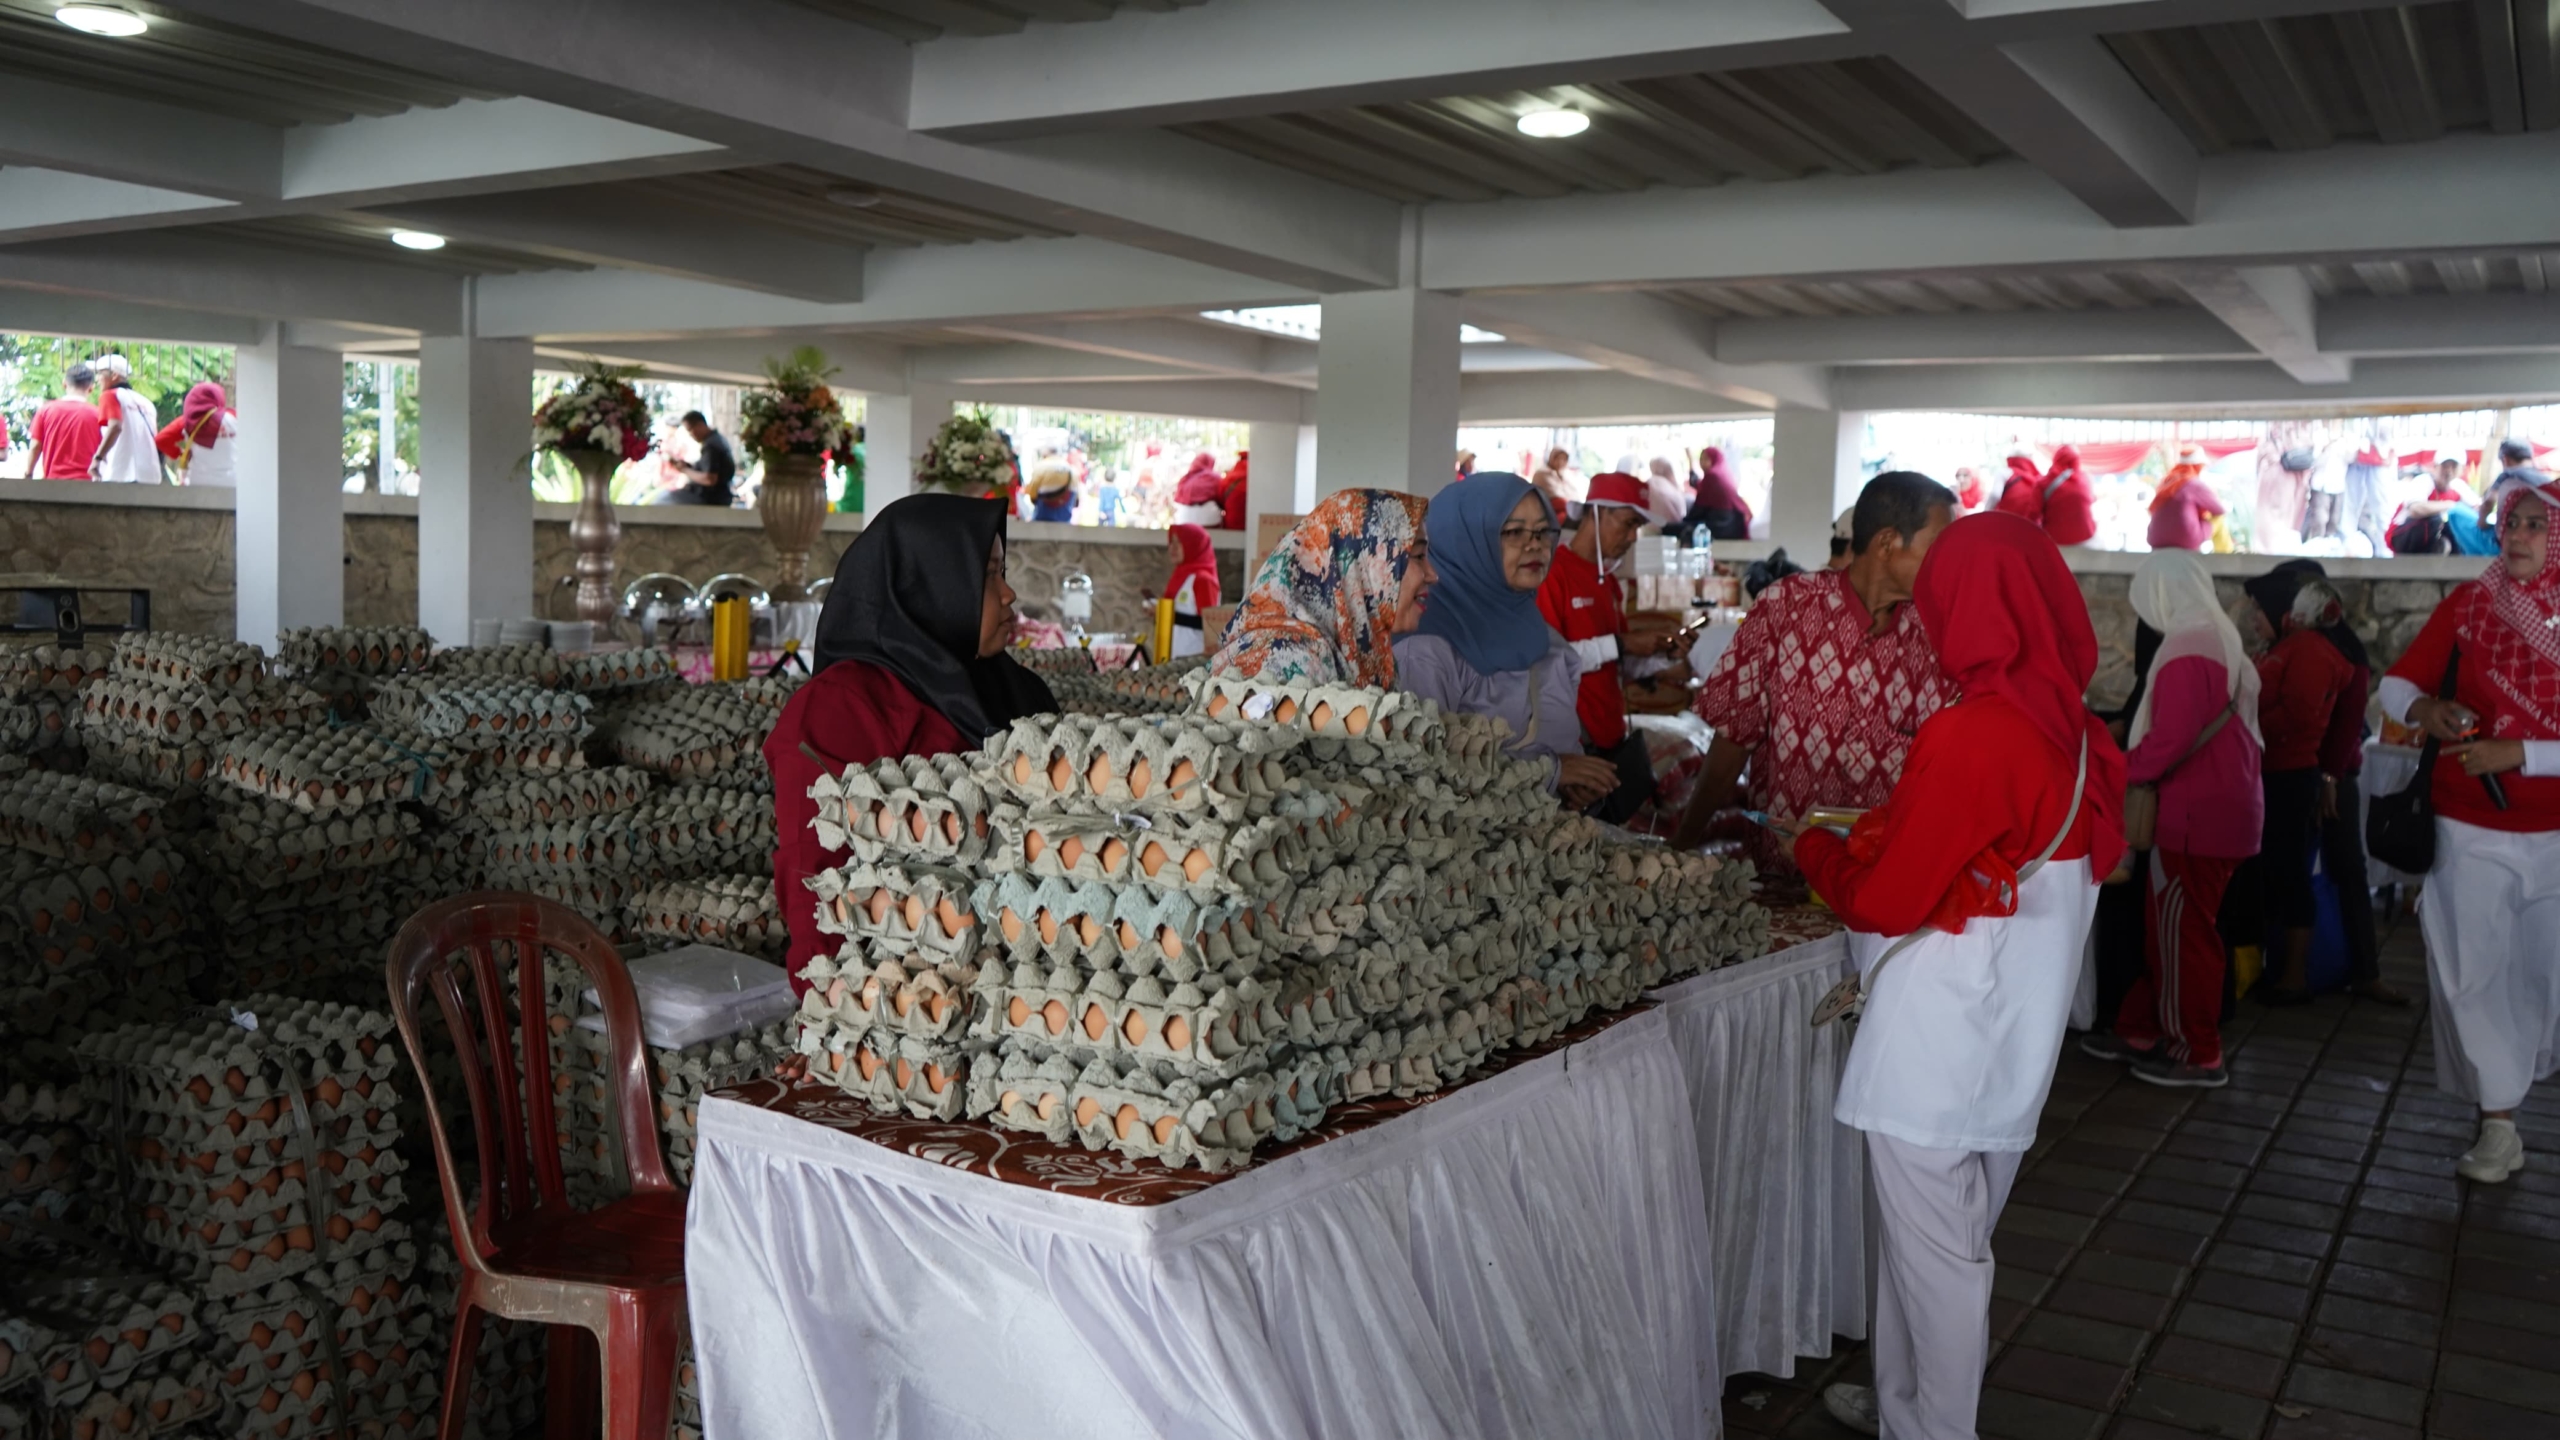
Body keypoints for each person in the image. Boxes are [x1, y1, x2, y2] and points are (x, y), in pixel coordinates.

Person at [1799, 512, 2126, 1440]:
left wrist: (1821, 850)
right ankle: (1903, 1404)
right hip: (2011, 1039)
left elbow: (1890, 900)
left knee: (1940, 1263)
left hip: (1936, 1044)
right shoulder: (2073, 732)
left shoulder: (1975, 733)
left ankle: (1937, 1429)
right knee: (1941, 1249)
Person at [763, 495, 1056, 996]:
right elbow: (813, 867)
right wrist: (831, 1002)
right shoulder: (843, 707)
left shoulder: (1014, 690)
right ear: (929, 586)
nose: (1008, 594)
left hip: (1027, 976)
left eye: (1001, 572)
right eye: (987, 575)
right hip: (903, 993)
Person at [2375, 472, 2560, 1184]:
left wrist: (2521, 753)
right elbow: (2398, 683)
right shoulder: (2468, 605)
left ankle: (2511, 1083)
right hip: (2467, 822)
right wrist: (2426, 712)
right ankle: (2498, 1120)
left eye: (2536, 525)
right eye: (2513, 522)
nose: (2516, 536)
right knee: (2471, 971)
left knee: (2542, 976)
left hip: (2554, 835)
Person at [1670, 472, 1959, 875]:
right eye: (1938, 547)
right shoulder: (1784, 609)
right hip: (1786, 874)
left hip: (1891, 881)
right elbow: (1734, 738)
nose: (1949, 563)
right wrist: (1684, 841)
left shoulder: (1940, 630)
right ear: (1888, 543)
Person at [2083, 549, 2263, 1088]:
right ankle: (2142, 1027)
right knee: (2170, 928)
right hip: (2222, 806)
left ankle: (2198, 1052)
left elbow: (2169, 740)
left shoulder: (2189, 646)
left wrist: (2114, 769)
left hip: (2195, 813)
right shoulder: (2220, 637)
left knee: (2185, 933)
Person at [1397, 472, 1621, 808]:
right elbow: (1422, 771)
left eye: (1543, 531)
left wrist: (1577, 782)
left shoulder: (1545, 638)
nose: (1536, 545)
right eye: (1514, 532)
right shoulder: (1425, 649)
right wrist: (1550, 771)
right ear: (1465, 539)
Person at [2239, 560, 2405, 1008]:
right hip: (2308, 771)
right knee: (2302, 870)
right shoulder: (2292, 645)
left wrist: (2328, 778)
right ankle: (2314, 967)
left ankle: (2363, 972)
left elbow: (2340, 724)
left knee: (2343, 869)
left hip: (2329, 773)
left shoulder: (2331, 649)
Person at [2245, 574, 2355, 1008]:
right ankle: (2273, 967)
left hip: (2288, 777)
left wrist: (2244, 728)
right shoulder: (2289, 648)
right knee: (2276, 870)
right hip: (2273, 771)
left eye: (2260, 610)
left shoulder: (2309, 651)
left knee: (2289, 871)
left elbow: (2298, 717)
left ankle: (2293, 978)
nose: (2254, 618)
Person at [1208, 487, 1431, 687]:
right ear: (1367, 564)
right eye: (1419, 556)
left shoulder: (1369, 656)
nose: (1433, 575)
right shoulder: (1286, 658)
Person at [1538, 471, 1659, 821]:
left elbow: (1619, 662)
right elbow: (1549, 663)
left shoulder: (1608, 581)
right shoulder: (1553, 573)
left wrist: (1662, 659)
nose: (1633, 536)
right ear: (1596, 513)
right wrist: (1621, 644)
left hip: (1610, 736)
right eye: (1628, 523)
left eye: (1638, 526)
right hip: (1574, 741)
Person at [24, 363, 103, 480]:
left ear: (64, 384)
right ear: (91, 388)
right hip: (88, 484)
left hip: (54, 483)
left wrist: (28, 473)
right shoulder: (99, 415)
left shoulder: (46, 410)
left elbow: (35, 446)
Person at [91, 356, 161, 484]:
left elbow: (115, 427)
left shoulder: (110, 395)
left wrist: (97, 459)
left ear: (114, 375)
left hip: (121, 473)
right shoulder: (146, 402)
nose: (96, 379)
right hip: (150, 476)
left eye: (100, 373)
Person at [154, 382, 236, 487]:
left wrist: (183, 451)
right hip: (233, 483)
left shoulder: (187, 422)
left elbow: (161, 440)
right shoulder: (235, 417)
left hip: (198, 484)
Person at [2146, 444, 2225, 551]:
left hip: (2156, 539)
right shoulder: (2193, 483)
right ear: (2198, 466)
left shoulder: (2167, 481)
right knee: (2219, 518)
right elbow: (2220, 509)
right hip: (2186, 540)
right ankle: (2225, 559)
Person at [1161, 522, 1222, 658]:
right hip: (1177, 654)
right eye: (1171, 542)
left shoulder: (1203, 580)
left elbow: (1208, 623)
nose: (1173, 548)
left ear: (1194, 545)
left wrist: (1168, 615)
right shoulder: (1180, 576)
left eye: (1180, 542)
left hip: (1193, 656)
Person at [1670, 445, 1753, 541]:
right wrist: (1690, 460)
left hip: (1723, 525)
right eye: (1701, 459)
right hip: (1732, 523)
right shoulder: (1721, 472)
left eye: (1706, 459)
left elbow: (1699, 507)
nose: (1702, 462)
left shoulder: (1713, 476)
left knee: (1674, 529)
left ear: (1714, 459)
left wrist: (1683, 521)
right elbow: (1697, 484)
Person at [657, 411, 737, 505]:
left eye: (691, 430)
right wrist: (688, 466)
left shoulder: (711, 445)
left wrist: (684, 470)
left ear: (700, 425)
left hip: (712, 498)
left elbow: (710, 479)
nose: (691, 434)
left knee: (664, 500)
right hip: (718, 496)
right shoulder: (716, 439)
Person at [1171, 452, 1225, 527]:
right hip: (1210, 522)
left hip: (1183, 521)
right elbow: (1223, 499)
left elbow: (1177, 501)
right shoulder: (1215, 477)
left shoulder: (1185, 479)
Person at [1026, 457, 1075, 522]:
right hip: (1064, 514)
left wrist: (1034, 499)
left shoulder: (1041, 466)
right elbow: (1076, 499)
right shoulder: (1069, 468)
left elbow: (1033, 490)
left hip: (1042, 513)